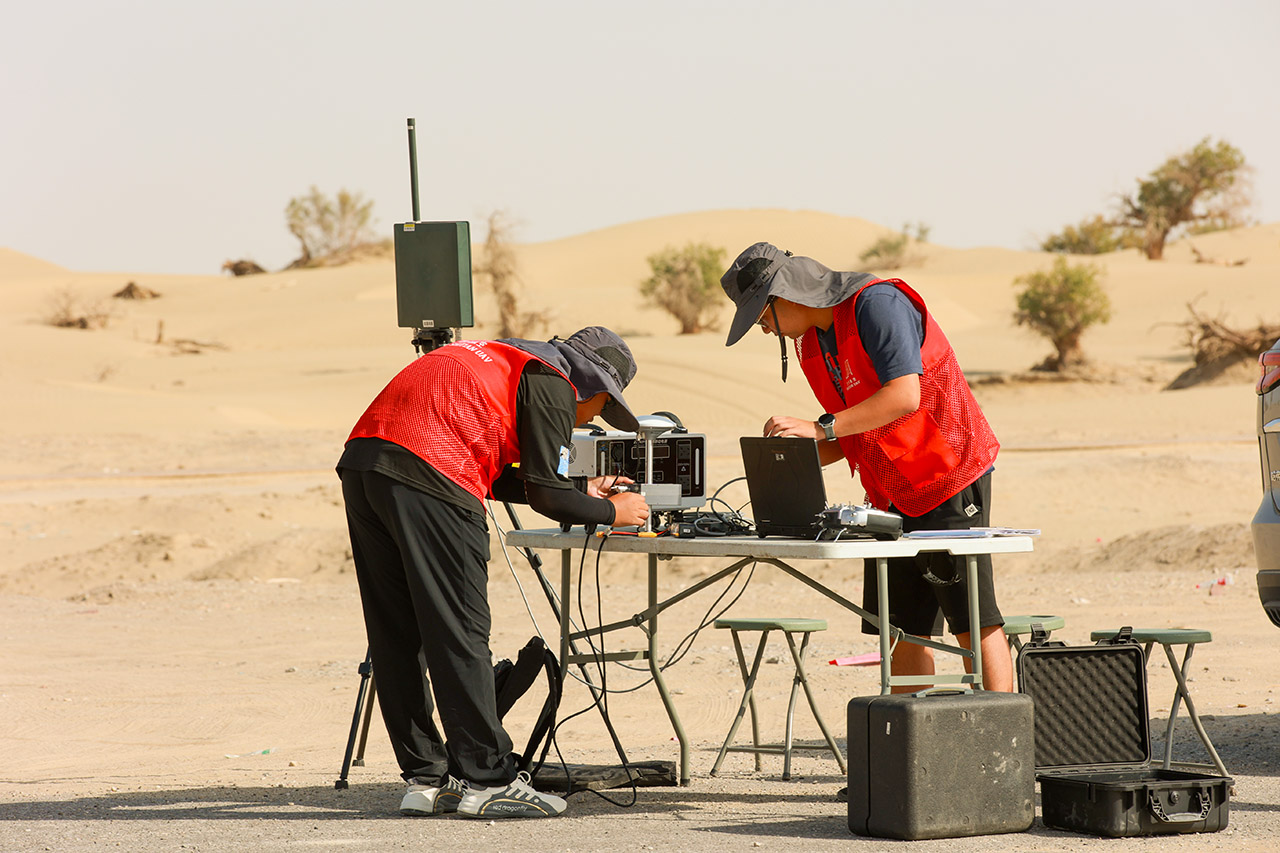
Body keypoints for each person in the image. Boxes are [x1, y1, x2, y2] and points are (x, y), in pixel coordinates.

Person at [337, 326, 650, 818]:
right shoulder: (554, 382)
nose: (592, 421)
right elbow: (547, 496)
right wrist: (615, 513)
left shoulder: (507, 359)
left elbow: (516, 478)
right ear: (589, 386)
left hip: (365, 463)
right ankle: (487, 780)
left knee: (396, 629)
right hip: (433, 470)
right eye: (601, 409)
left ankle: (427, 778)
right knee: (458, 630)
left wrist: (580, 489)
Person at [721, 243, 1012, 693]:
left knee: (972, 620)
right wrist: (793, 458)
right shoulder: (813, 340)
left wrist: (821, 430)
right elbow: (858, 428)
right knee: (902, 628)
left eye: (761, 316)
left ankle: (1003, 742)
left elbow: (903, 397)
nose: (763, 328)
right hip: (890, 492)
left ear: (785, 295)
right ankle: (911, 749)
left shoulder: (877, 304)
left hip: (947, 475)